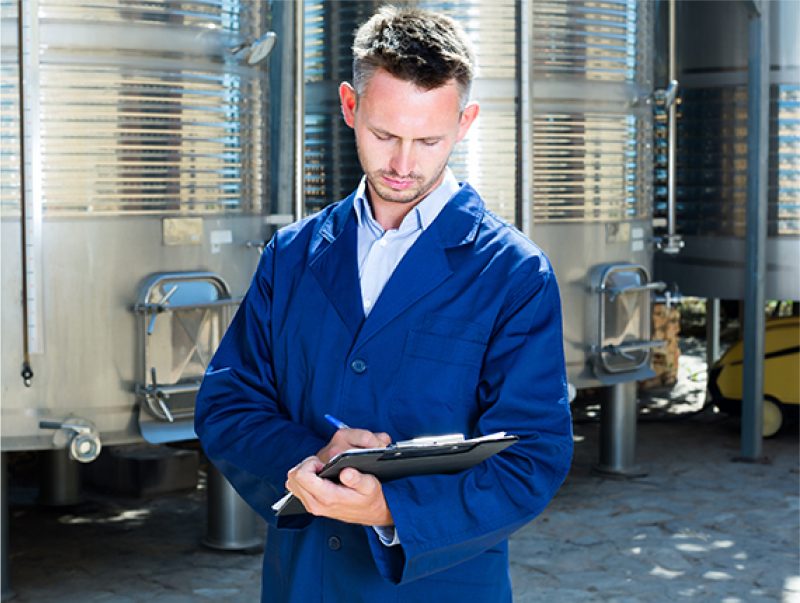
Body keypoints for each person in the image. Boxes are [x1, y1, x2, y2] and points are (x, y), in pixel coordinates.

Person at [195, 6, 573, 602]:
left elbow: (534, 457)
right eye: (383, 134)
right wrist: (310, 456)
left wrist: (394, 510)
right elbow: (228, 402)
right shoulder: (291, 255)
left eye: (429, 140)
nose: (403, 163)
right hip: (305, 583)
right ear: (350, 106)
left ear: (465, 121)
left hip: (439, 588)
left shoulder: (513, 273)